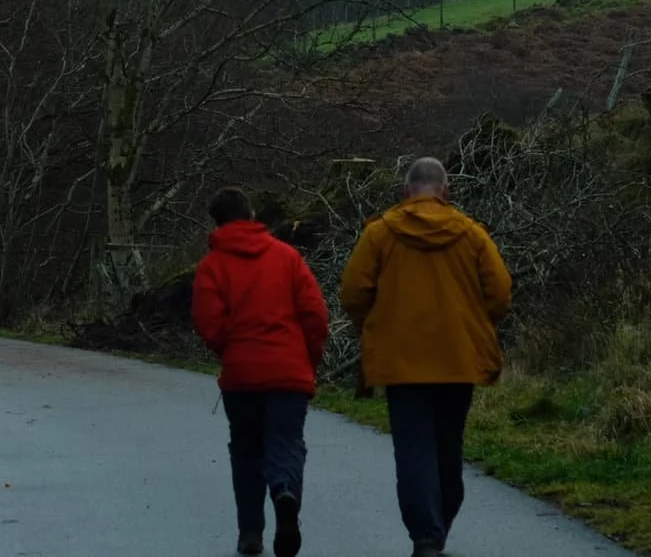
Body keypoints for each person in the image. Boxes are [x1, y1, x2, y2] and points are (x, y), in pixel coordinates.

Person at [339, 156, 512, 557]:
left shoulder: (380, 234)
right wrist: (472, 323)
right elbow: (500, 293)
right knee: (448, 446)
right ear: (446, 191)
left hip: (402, 363)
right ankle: (440, 525)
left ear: (405, 193)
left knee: (414, 449)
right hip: (458, 358)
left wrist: (378, 325)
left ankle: (426, 535)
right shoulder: (472, 235)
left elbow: (353, 293)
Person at [192, 186, 330, 557]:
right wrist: (308, 358)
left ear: (217, 223)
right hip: (288, 370)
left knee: (246, 451)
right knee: (286, 442)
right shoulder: (288, 258)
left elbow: (208, 322)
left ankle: (250, 532)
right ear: (252, 216)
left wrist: (232, 348)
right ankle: (284, 491)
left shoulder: (211, 267)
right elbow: (315, 314)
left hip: (242, 374)